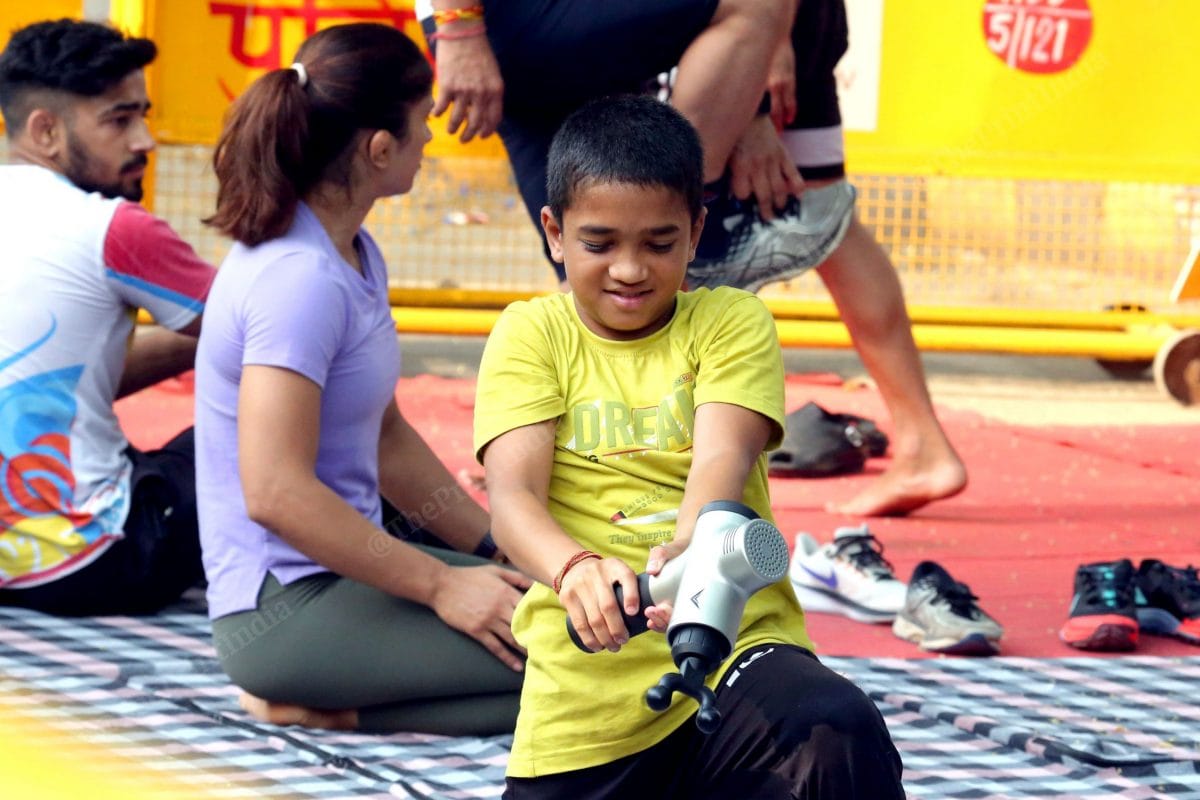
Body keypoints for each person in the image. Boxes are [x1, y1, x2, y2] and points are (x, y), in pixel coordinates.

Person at [475, 94, 904, 797]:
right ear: (553, 232)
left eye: (659, 242)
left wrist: (691, 556)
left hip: (739, 647)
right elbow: (512, 499)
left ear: (698, 230)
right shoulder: (531, 334)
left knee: (835, 727)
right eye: (600, 242)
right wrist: (575, 568)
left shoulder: (732, 321)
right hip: (586, 707)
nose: (629, 269)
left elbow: (720, 462)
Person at [423, 0, 967, 519]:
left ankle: (576, 445)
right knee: (612, 242)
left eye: (667, 243)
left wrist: (753, 86)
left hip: (769, 32)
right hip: (720, 36)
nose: (634, 266)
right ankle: (557, 445)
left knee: (790, 209)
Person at [193, 22, 530, 736]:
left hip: (347, 571)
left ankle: (331, 706)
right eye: (423, 125)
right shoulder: (298, 281)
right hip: (283, 611)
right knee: (588, 677)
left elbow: (384, 438)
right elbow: (275, 492)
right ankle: (318, 699)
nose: (432, 140)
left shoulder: (352, 252)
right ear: (380, 148)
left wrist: (495, 549)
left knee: (595, 638)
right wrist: (441, 587)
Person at [0, 19, 214, 615]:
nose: (146, 140)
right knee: (307, 420)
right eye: (120, 120)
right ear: (46, 130)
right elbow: (272, 329)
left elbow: (50, 375)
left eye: (143, 116)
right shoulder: (114, 229)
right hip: (96, 562)